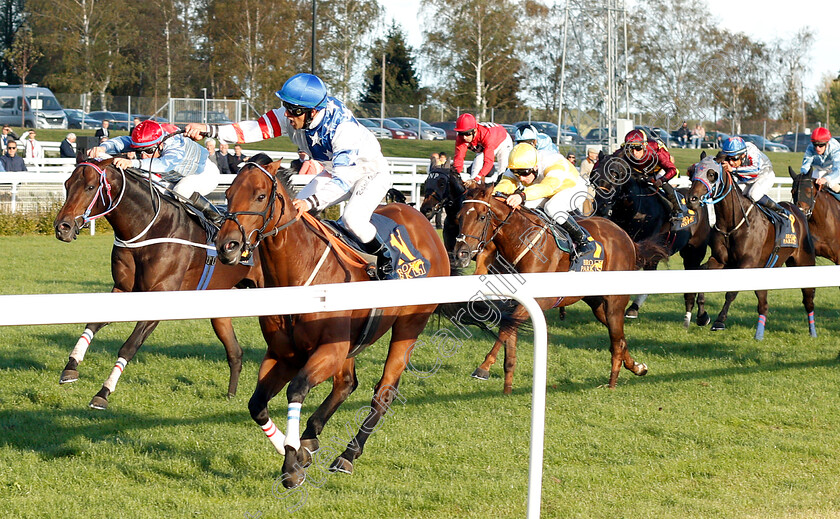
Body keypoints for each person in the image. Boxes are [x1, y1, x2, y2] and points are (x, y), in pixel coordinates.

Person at [185, 72, 394, 271]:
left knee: (352, 219)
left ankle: (386, 259)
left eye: (293, 110)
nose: (287, 114)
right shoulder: (299, 113)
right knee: (292, 216)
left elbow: (343, 181)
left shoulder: (343, 130)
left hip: (369, 172)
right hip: (334, 170)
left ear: (313, 112)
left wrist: (309, 202)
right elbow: (253, 129)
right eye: (286, 106)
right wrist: (209, 129)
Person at [87, 119, 222, 222]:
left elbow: (165, 164)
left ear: (161, 144)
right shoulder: (150, 140)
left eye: (149, 151)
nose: (144, 155)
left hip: (204, 174)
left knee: (181, 191)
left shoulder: (174, 142)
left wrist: (132, 162)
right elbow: (122, 142)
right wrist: (102, 148)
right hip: (175, 178)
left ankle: (216, 218)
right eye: (139, 151)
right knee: (146, 187)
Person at [494, 142, 595, 268]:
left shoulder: (553, 162)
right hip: (547, 190)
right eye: (516, 174)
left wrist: (522, 196)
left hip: (573, 189)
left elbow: (547, 187)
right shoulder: (520, 165)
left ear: (535, 167)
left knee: (552, 207)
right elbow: (506, 182)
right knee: (525, 207)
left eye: (524, 173)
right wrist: (495, 195)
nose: (521, 179)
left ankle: (583, 241)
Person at [616, 129, 684, 221]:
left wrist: (661, 180)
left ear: (644, 145)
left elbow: (672, 170)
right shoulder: (623, 149)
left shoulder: (656, 149)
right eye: (631, 148)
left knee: (663, 186)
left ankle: (677, 211)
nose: (634, 152)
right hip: (639, 172)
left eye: (638, 148)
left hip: (658, 171)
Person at [720, 136, 785, 217]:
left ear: (743, 155)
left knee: (754, 195)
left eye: (734, 158)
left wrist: (733, 170)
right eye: (728, 158)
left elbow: (755, 170)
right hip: (747, 179)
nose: (731, 162)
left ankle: (779, 210)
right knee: (735, 194)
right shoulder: (733, 153)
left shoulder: (751, 150)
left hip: (764, 175)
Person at [451, 113, 513, 183]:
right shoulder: (460, 138)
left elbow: (488, 162)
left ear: (474, 130)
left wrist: (476, 178)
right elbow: (459, 159)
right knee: (474, 171)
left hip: (503, 141)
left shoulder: (487, 136)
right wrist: (456, 175)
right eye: (461, 133)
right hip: (484, 143)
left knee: (503, 169)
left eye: (467, 133)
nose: (464, 137)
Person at [801, 127, 840, 192]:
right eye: (815, 145)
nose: (817, 148)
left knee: (830, 183)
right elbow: (805, 167)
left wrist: (825, 179)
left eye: (821, 145)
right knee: (808, 183)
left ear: (827, 143)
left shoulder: (835, 148)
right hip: (821, 169)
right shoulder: (810, 148)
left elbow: (837, 170)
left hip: (836, 170)